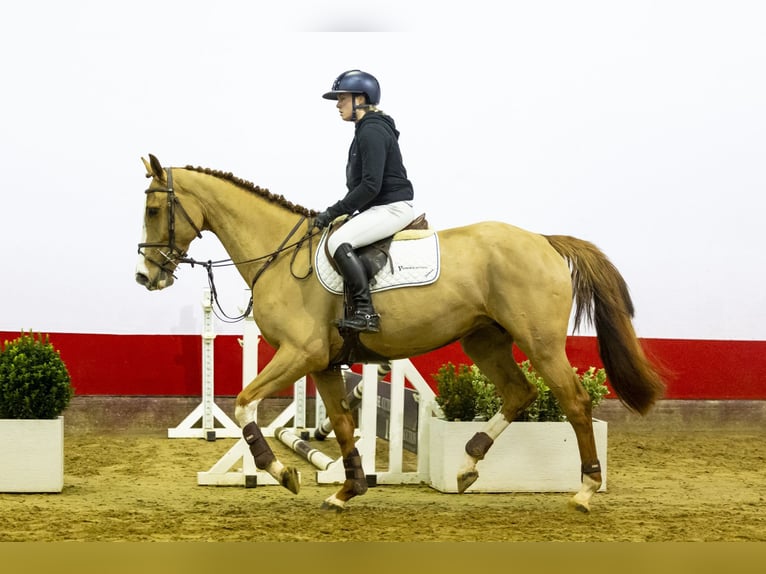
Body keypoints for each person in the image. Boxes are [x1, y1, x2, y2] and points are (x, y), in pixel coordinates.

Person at [314, 69, 415, 334]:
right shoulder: (365, 129)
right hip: (380, 207)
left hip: (392, 207)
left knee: (337, 241)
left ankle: (365, 312)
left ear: (361, 98)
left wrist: (333, 211)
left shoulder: (371, 130)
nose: (338, 105)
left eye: (342, 98)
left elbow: (371, 186)